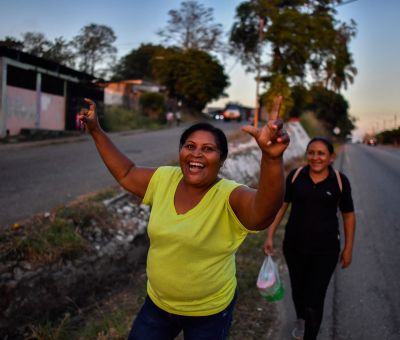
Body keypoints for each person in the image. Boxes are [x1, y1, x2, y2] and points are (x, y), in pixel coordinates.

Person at [79, 96, 290, 340]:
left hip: (209, 313)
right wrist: (95, 131)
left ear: (221, 161)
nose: (196, 154)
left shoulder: (228, 196)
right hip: (158, 305)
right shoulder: (165, 179)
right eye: (190, 146)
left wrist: (272, 159)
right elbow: (126, 173)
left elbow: (262, 214)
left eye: (208, 149)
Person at [263, 137, 356, 340]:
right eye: (311, 152)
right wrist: (270, 235)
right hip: (294, 247)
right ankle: (301, 319)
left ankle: (310, 334)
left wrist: (348, 248)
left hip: (326, 251)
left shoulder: (340, 182)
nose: (315, 157)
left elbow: (348, 215)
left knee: (315, 297)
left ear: (331, 157)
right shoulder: (296, 176)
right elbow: (282, 207)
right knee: (298, 290)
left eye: (321, 153)